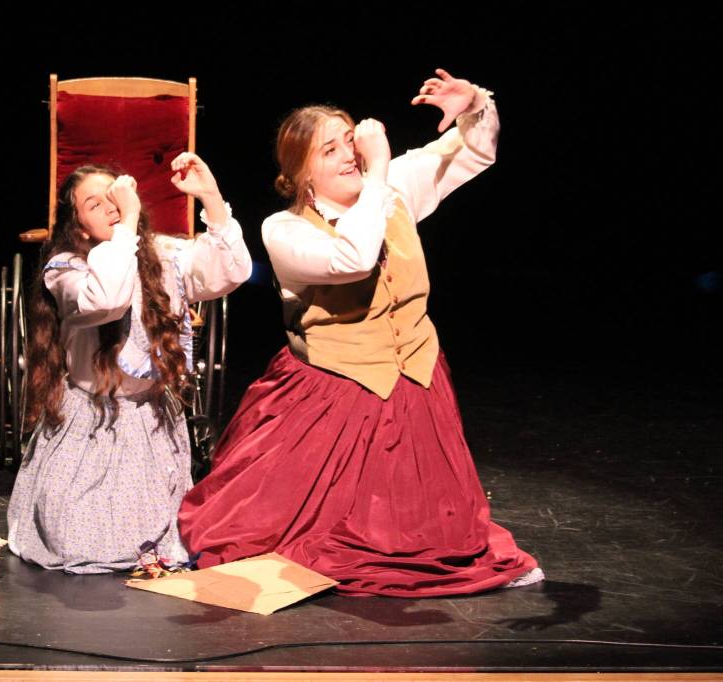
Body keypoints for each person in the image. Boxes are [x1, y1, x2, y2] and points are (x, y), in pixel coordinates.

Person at [179, 69, 542, 597]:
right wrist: (377, 178)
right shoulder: (285, 229)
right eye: (330, 150)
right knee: (286, 531)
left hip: (414, 374)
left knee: (425, 529)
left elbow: (472, 152)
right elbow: (352, 258)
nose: (349, 154)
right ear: (301, 174)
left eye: (350, 141)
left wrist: (473, 107)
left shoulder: (389, 190)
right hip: (334, 388)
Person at [8, 153, 251, 573]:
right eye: (95, 204)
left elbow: (230, 272)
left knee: (160, 539)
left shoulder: (163, 253)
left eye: (115, 197)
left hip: (148, 421)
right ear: (79, 225)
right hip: (92, 422)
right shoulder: (66, 268)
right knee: (77, 541)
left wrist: (209, 196)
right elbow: (107, 299)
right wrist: (128, 225)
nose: (112, 208)